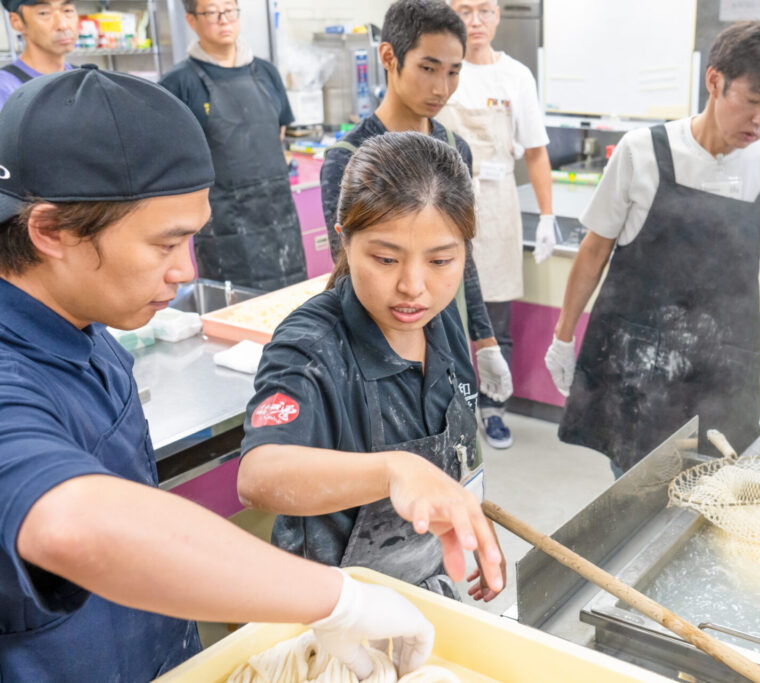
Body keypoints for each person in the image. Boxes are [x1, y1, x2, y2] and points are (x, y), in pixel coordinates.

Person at [0, 67, 501, 681]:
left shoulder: (90, 331)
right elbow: (71, 524)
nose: (186, 271)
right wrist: (340, 601)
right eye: (165, 245)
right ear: (50, 230)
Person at [544, 22, 760, 475]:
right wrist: (563, 337)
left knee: (712, 485)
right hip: (636, 364)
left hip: (720, 375)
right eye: (751, 100)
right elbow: (594, 250)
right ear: (714, 81)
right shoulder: (641, 152)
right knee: (632, 486)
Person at [239, 131, 506, 604]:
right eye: (386, 259)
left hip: (428, 588)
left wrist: (471, 522)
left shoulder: (441, 324)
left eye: (441, 260)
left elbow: (459, 456)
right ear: (342, 241)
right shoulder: (312, 346)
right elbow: (259, 475)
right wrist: (393, 471)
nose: (413, 287)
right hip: (331, 609)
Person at [320, 0, 512, 418]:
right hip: (382, 345)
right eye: (428, 68)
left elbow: (464, 256)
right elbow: (349, 274)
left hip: (450, 328)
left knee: (458, 452)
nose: (442, 87)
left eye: (454, 71)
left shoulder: (455, 148)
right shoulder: (350, 157)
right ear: (389, 57)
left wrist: (484, 338)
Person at [438, 0, 556, 449]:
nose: (475, 21)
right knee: (444, 316)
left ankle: (493, 407)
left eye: (484, 10)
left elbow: (536, 151)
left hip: (499, 205)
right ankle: (451, 412)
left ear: (498, 15)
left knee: (496, 318)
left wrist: (546, 215)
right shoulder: (444, 70)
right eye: (464, 10)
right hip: (446, 203)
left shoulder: (516, 76)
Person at [159, 0, 307, 292]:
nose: (224, 19)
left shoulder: (266, 72)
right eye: (213, 12)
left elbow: (279, 134)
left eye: (230, 9)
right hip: (224, 225)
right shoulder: (178, 83)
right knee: (235, 306)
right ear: (192, 20)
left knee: (292, 309)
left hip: (279, 217)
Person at [0, 0, 76, 109]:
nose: (63, 25)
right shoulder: (5, 89)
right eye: (44, 13)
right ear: (16, 21)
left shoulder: (85, 80)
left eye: (68, 10)